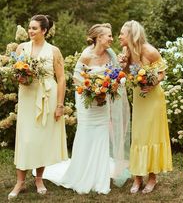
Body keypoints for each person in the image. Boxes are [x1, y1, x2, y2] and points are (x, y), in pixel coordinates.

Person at [42, 23, 130, 194]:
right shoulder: (87, 54)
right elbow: (76, 77)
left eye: (112, 36)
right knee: (87, 134)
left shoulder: (110, 54)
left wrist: (107, 89)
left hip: (103, 103)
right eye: (109, 36)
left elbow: (118, 76)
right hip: (88, 103)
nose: (112, 39)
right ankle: (82, 173)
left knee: (101, 136)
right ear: (98, 37)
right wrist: (92, 92)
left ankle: (99, 177)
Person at [8, 15, 68, 200]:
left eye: (34, 28)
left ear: (44, 30)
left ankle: (39, 179)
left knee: (41, 138)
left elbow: (62, 78)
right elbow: (14, 71)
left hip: (47, 97)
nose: (30, 31)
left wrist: (60, 105)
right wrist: (19, 77)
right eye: (29, 27)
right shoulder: (22, 48)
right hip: (27, 97)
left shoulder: (54, 51)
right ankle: (20, 182)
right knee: (25, 139)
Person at [119, 20, 172, 194]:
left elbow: (163, 72)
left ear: (132, 35)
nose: (120, 37)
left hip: (153, 98)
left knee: (152, 136)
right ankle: (137, 178)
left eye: (122, 34)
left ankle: (152, 178)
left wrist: (153, 82)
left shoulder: (150, 51)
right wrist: (124, 64)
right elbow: (127, 73)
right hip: (139, 98)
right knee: (139, 136)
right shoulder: (126, 51)